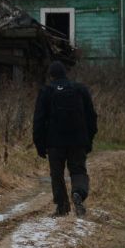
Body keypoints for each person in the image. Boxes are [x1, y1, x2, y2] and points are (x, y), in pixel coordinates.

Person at [32, 59, 98, 216]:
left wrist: (39, 145)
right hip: (78, 140)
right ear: (65, 74)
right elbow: (91, 117)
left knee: (57, 174)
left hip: (54, 142)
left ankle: (62, 207)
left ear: (51, 76)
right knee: (78, 170)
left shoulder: (46, 91)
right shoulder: (80, 89)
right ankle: (79, 193)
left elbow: (38, 121)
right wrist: (89, 139)